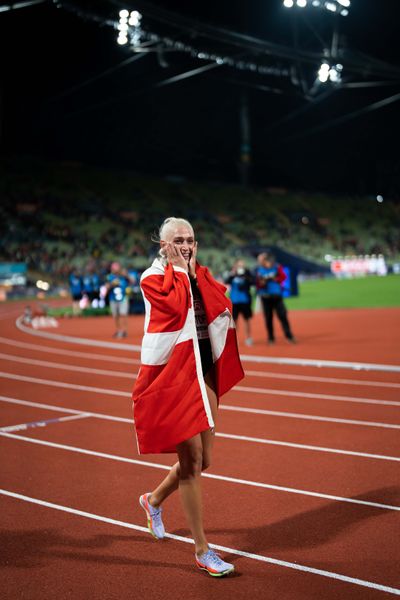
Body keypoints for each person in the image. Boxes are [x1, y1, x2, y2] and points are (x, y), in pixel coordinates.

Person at [133, 217, 244, 577]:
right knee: (192, 460)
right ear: (163, 245)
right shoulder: (152, 278)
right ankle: (202, 550)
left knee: (205, 460)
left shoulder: (199, 274)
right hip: (175, 377)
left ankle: (152, 500)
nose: (186, 245)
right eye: (178, 240)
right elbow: (176, 307)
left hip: (204, 370)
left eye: (191, 239)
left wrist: (194, 273)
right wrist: (182, 271)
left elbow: (220, 301)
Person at [256, 252, 296, 344]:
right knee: (268, 318)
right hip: (265, 296)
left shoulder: (276, 267)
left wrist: (276, 279)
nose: (260, 262)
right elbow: (258, 285)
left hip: (277, 296)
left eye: (261, 260)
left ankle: (289, 336)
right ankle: (271, 338)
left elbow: (283, 277)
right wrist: (262, 283)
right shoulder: (259, 270)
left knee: (283, 315)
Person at [225, 259, 254, 345]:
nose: (241, 267)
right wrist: (233, 273)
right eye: (239, 265)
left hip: (245, 301)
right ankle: (234, 339)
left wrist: (245, 275)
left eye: (242, 265)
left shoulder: (247, 274)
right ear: (236, 266)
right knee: (234, 321)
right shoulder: (232, 275)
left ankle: (248, 338)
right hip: (234, 301)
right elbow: (227, 281)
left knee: (247, 320)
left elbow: (252, 282)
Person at [105, 262, 130, 338]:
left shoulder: (123, 276)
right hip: (113, 299)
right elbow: (106, 287)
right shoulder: (109, 277)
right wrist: (112, 284)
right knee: (116, 316)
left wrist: (126, 275)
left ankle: (124, 331)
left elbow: (132, 281)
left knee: (123, 314)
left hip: (123, 298)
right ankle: (119, 330)